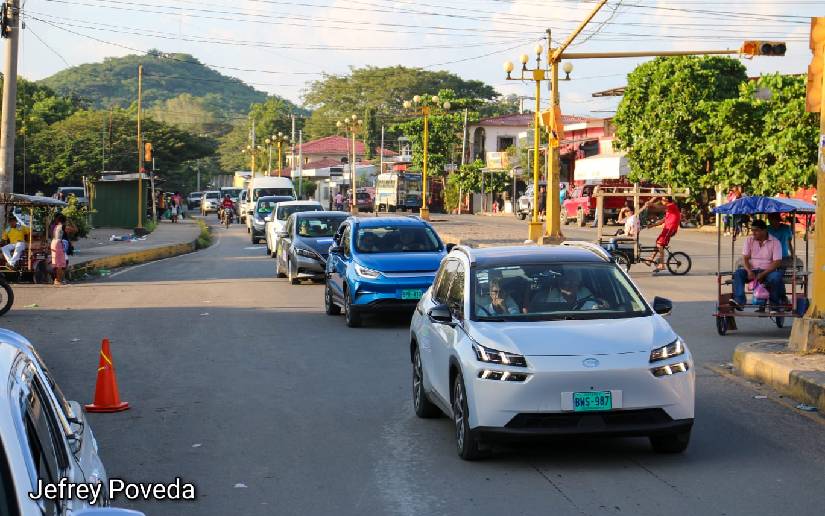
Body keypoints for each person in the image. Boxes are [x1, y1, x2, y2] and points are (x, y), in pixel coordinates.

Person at [731, 219, 785, 312]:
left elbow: (777, 262)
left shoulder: (775, 242)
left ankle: (774, 305)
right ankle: (739, 301)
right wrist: (749, 271)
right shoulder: (749, 240)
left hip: (768, 271)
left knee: (776, 277)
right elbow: (745, 258)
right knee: (738, 273)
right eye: (752, 230)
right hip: (752, 270)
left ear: (764, 231)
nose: (753, 233)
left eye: (756, 230)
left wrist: (763, 274)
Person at [646, 197, 681, 275]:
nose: (661, 201)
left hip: (670, 229)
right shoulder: (669, 210)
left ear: (667, 200)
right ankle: (651, 259)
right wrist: (652, 225)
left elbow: (661, 207)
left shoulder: (671, 205)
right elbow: (663, 220)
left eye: (663, 199)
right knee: (658, 242)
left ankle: (662, 265)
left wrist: (651, 204)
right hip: (667, 229)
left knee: (660, 244)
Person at [50, 214, 67, 285]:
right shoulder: (62, 226)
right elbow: (74, 229)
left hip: (53, 242)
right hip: (58, 243)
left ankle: (58, 280)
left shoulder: (55, 226)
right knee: (59, 264)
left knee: (57, 263)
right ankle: (58, 280)